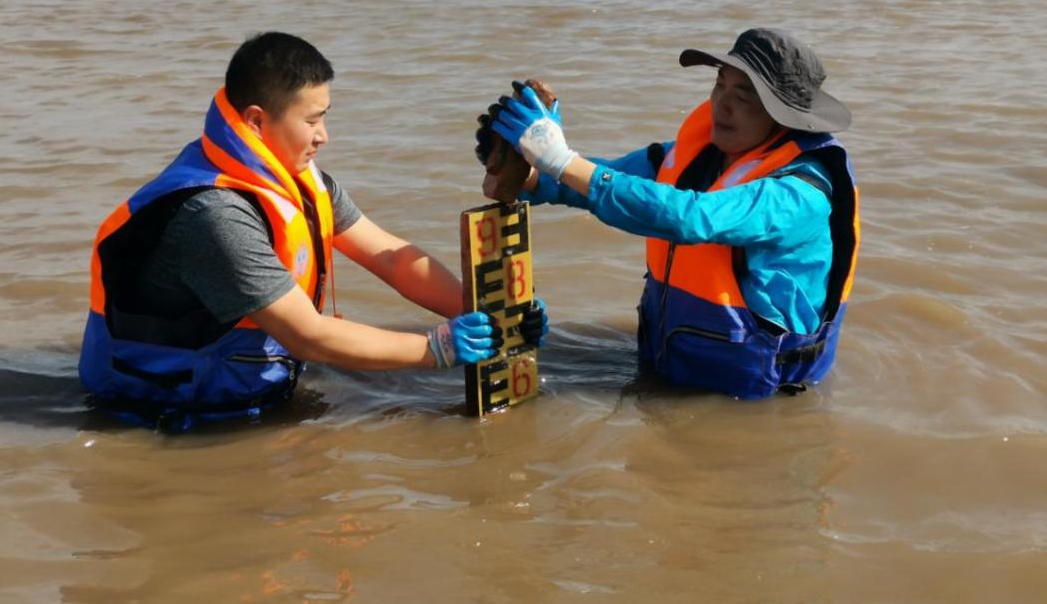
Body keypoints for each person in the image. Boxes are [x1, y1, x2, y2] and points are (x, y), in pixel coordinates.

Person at [80, 32, 546, 430]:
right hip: (163, 415)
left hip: (243, 392)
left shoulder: (301, 182)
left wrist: (490, 310)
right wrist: (435, 349)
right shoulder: (215, 215)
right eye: (312, 120)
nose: (324, 136)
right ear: (257, 121)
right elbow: (306, 336)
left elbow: (390, 256)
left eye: (325, 116)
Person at [486, 28, 858, 399]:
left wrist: (561, 159)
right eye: (719, 85)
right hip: (671, 366)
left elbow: (690, 218)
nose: (721, 104)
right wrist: (531, 174)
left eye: (744, 97)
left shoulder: (800, 191)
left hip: (755, 396)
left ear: (785, 117)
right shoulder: (693, 156)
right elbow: (605, 183)